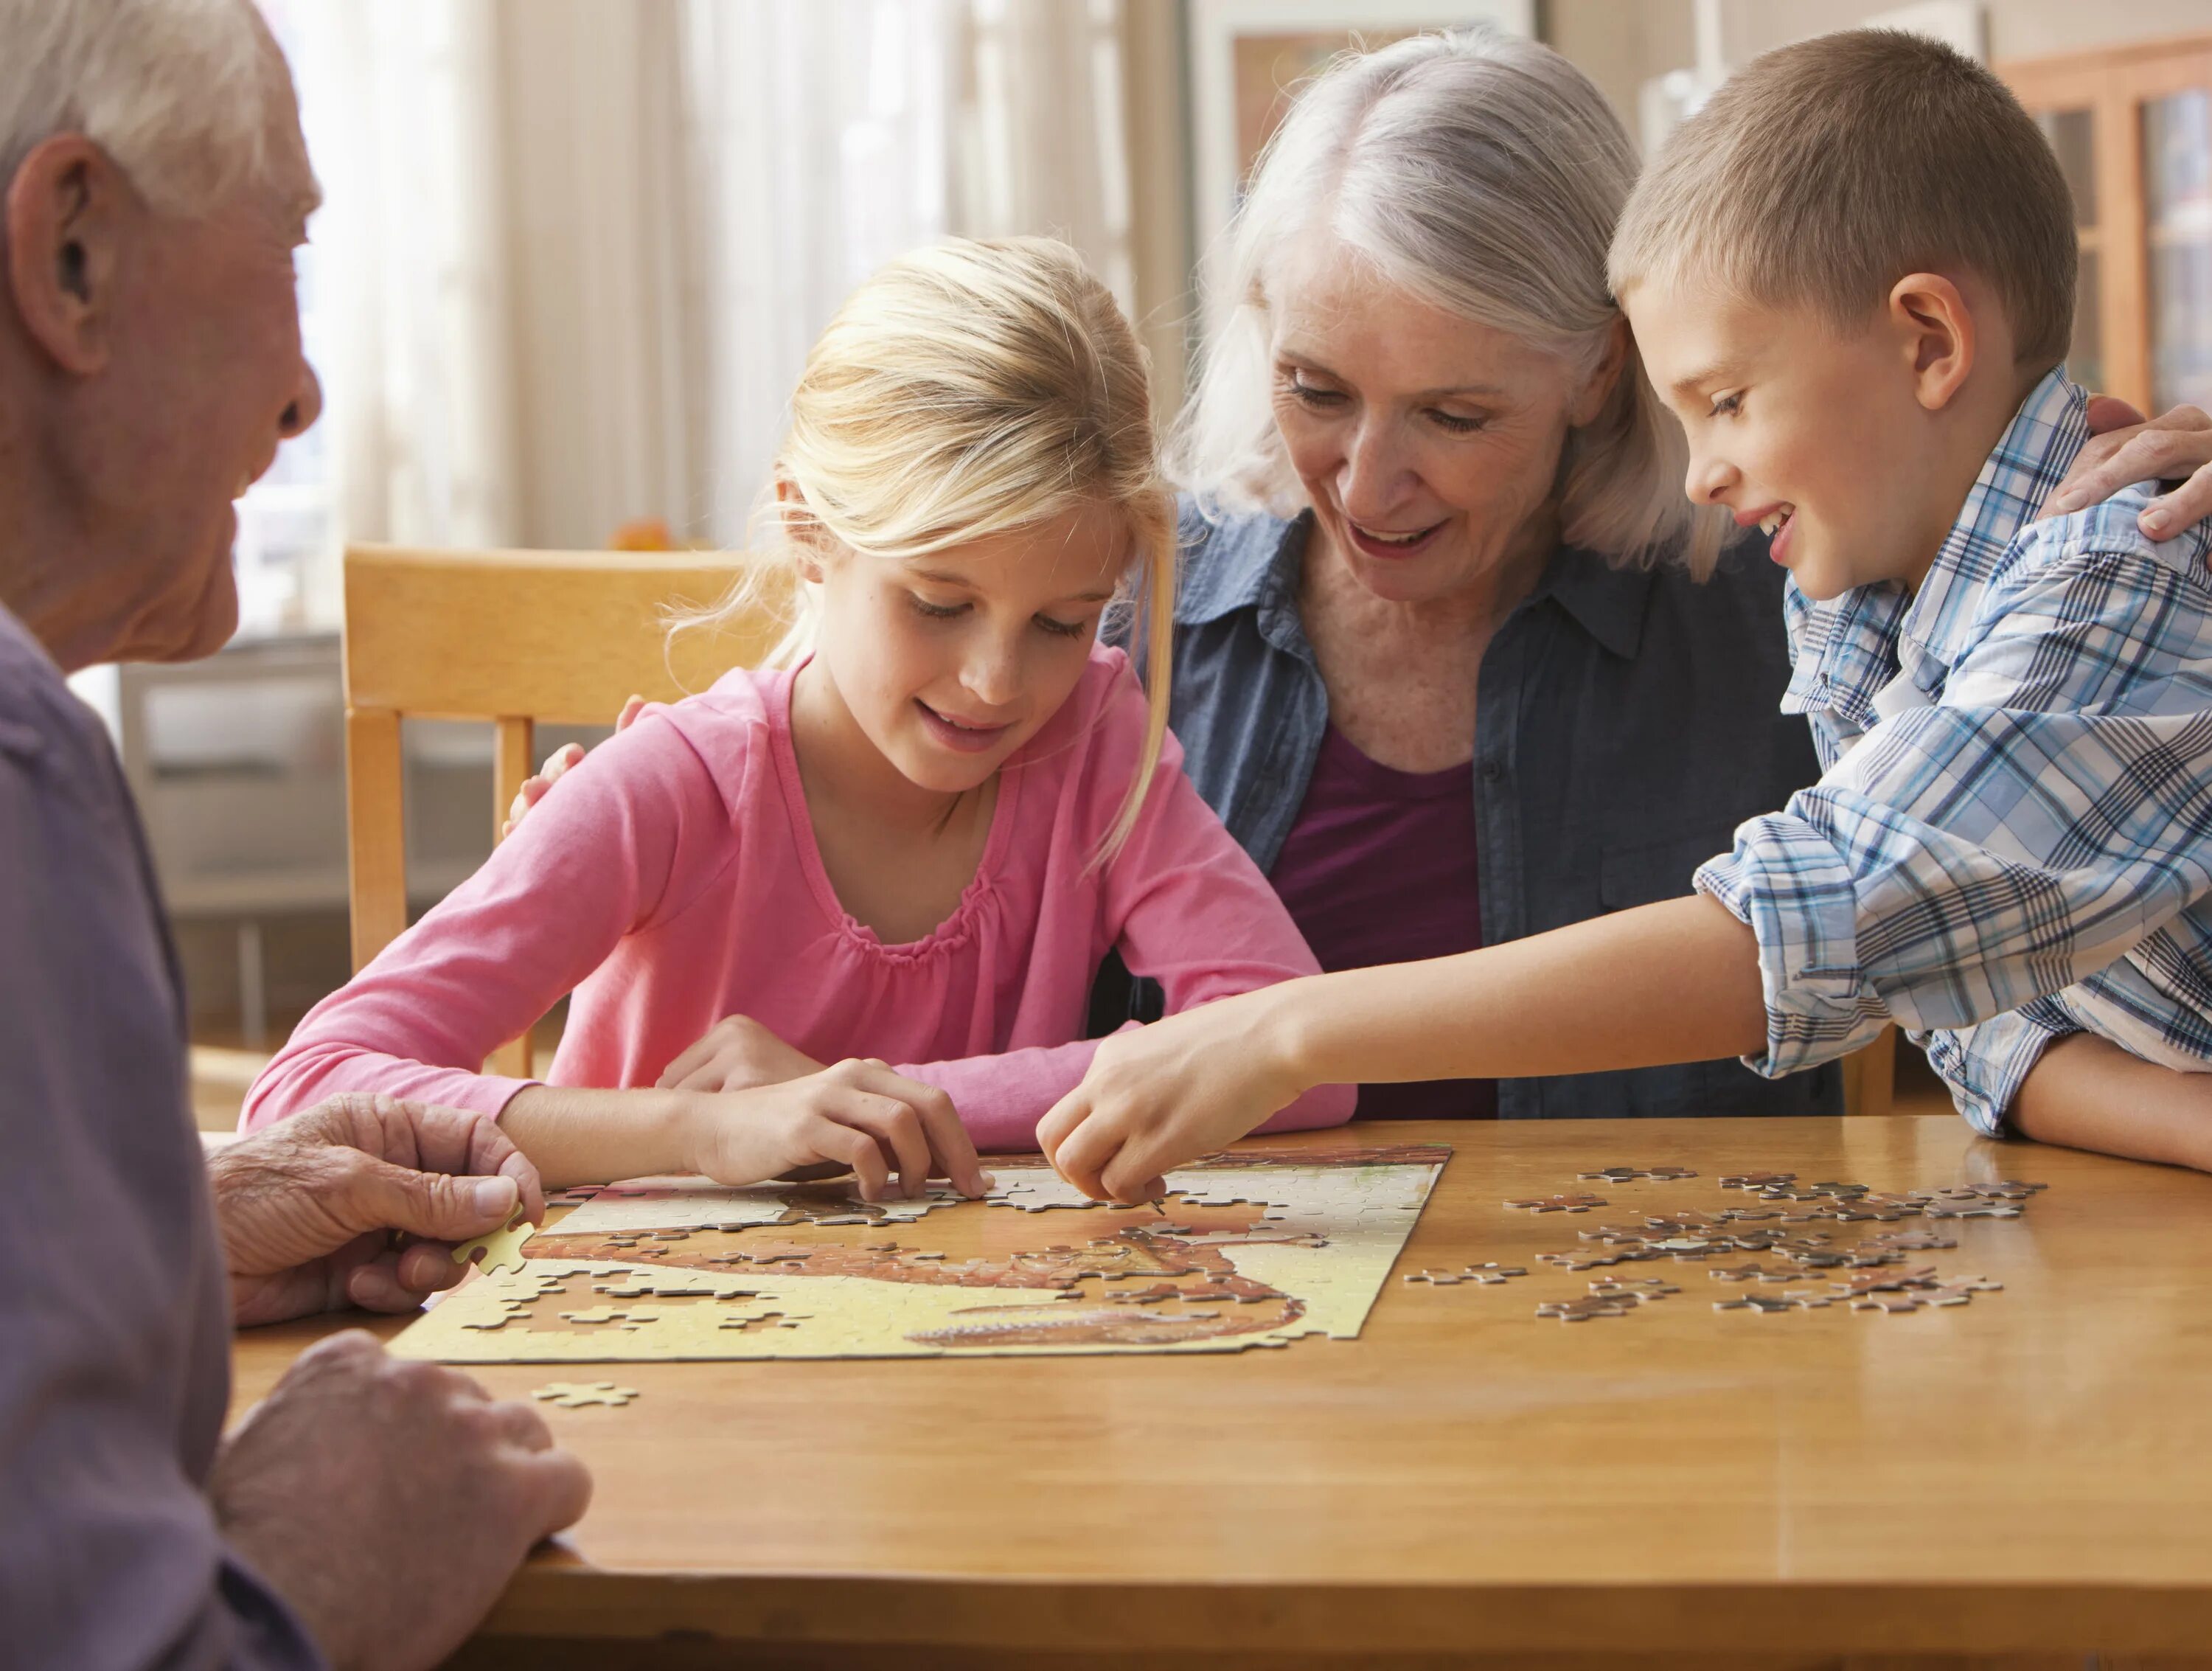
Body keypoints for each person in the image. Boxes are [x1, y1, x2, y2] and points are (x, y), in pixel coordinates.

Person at [1036, 29, 2212, 1204]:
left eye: (1454, 413)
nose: (1365, 481)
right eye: (1316, 390)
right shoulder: (1094, 617)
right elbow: (1954, 991)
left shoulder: (1911, 583)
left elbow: (1829, 924)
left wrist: (1283, 1032)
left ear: (1599, 373)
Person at [240, 237, 1354, 1184]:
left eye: (1063, 623)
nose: (997, 682)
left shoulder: (1090, 744)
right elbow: (306, 1090)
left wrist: (894, 1102)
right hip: (643, 1373)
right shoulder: (675, 788)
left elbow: (1301, 1057)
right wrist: (703, 1130)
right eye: (939, 603)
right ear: (808, 531)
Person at [0, 4, 591, 1667]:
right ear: (73, 256)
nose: (309, 389)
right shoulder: (16, 761)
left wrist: (166, 1231)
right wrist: (315, 1557)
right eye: (291, 256)